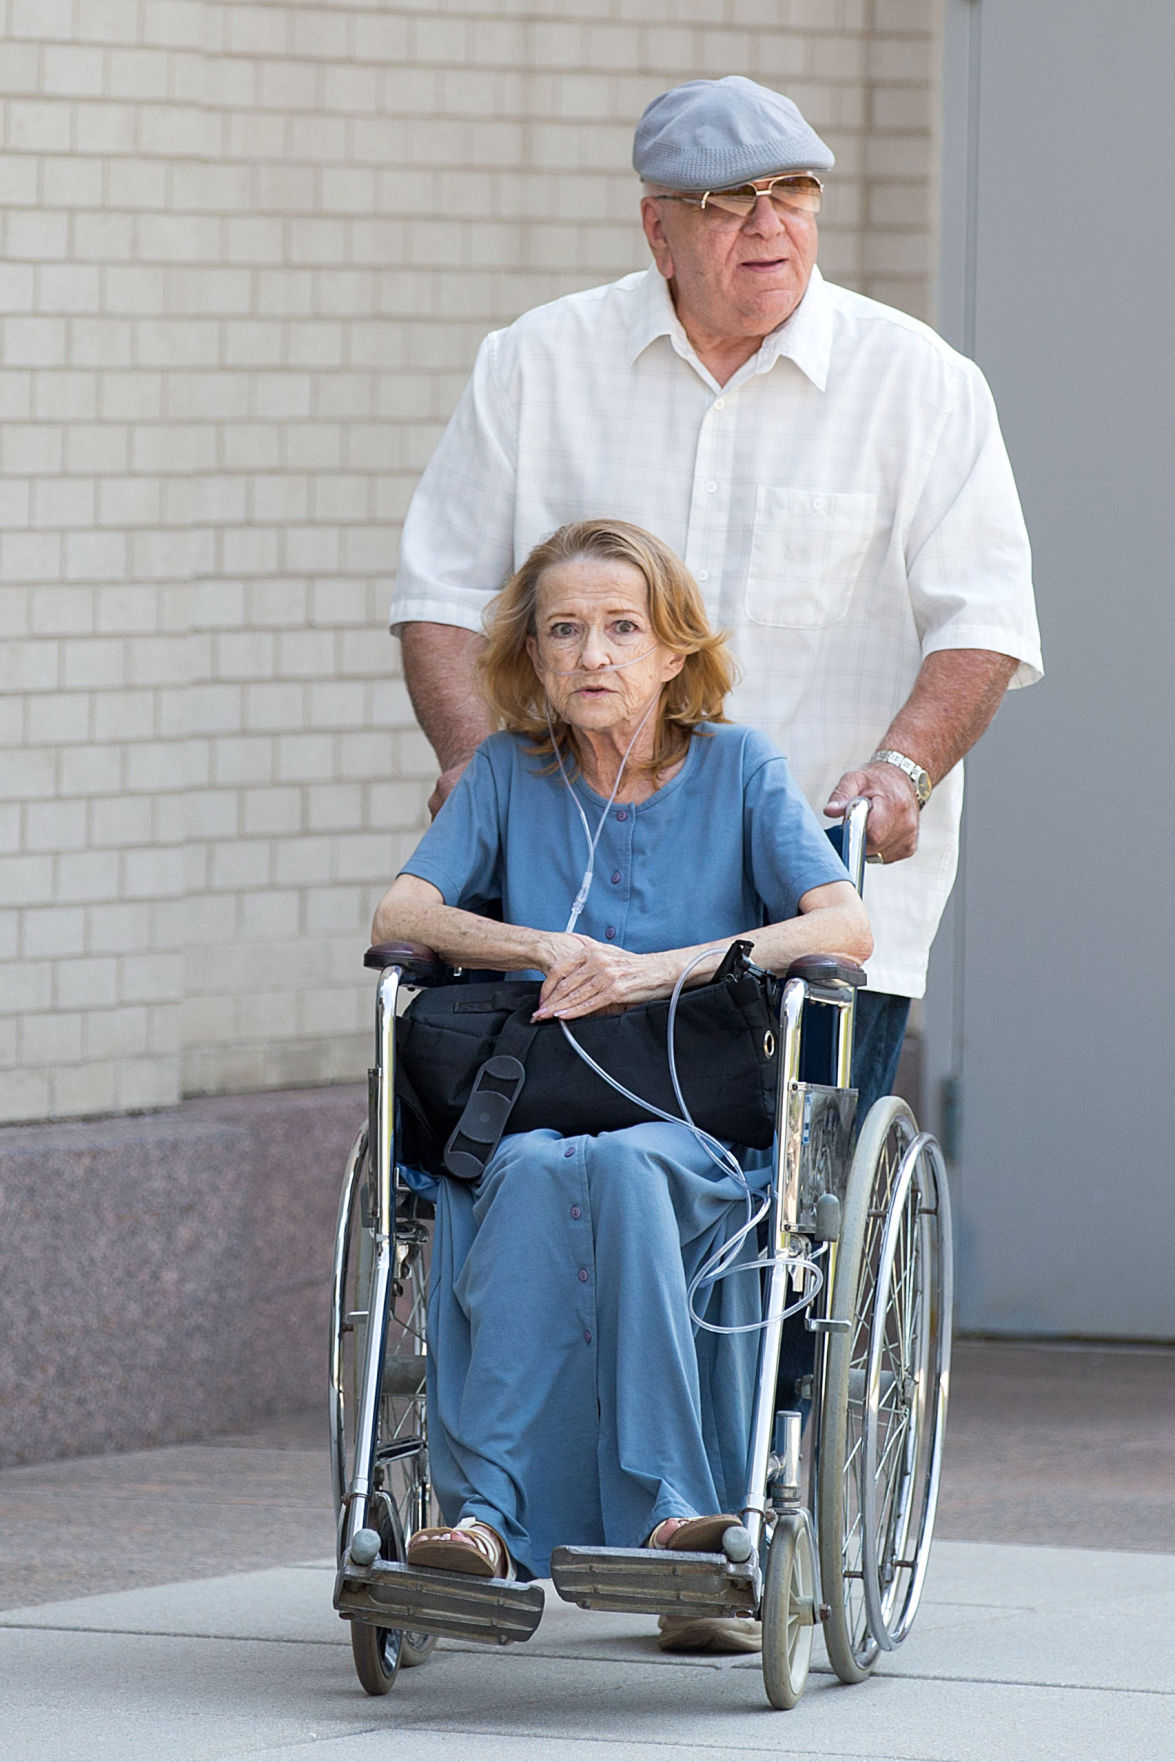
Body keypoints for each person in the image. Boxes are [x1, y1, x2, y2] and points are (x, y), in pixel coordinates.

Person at [389, 76, 1043, 1121]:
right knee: (541, 1172)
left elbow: (982, 622)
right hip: (570, 899)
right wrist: (471, 761)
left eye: (791, 191)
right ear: (657, 227)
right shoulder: (535, 363)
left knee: (789, 1237)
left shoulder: (917, 382)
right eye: (726, 202)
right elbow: (441, 597)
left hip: (809, 901)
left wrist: (902, 768)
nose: (767, 224)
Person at [371, 519, 871, 1651]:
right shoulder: (506, 771)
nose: (591, 654)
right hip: (533, 1112)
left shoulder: (740, 769)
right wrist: (541, 947)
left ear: (670, 650)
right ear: (533, 657)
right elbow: (399, 917)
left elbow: (844, 921)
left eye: (619, 628)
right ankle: (485, 1523)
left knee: (627, 1163)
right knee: (544, 1166)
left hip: (689, 1122)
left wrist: (663, 967)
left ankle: (671, 1514)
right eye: (563, 630)